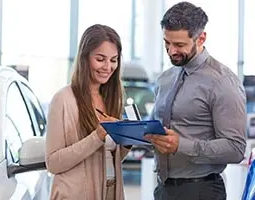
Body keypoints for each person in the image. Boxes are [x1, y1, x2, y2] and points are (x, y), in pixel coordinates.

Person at [144, 2, 247, 200]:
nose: (171, 51)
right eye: (167, 42)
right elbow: (156, 130)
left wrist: (181, 145)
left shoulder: (222, 82)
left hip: (201, 190)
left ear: (201, 38)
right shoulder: (165, 79)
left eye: (180, 45)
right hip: (163, 189)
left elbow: (235, 149)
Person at [45, 24, 131, 200]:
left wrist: (128, 141)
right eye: (100, 59)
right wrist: (97, 136)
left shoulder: (112, 99)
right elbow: (53, 163)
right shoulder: (63, 99)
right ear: (85, 58)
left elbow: (106, 157)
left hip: (110, 192)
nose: (108, 67)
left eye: (113, 60)